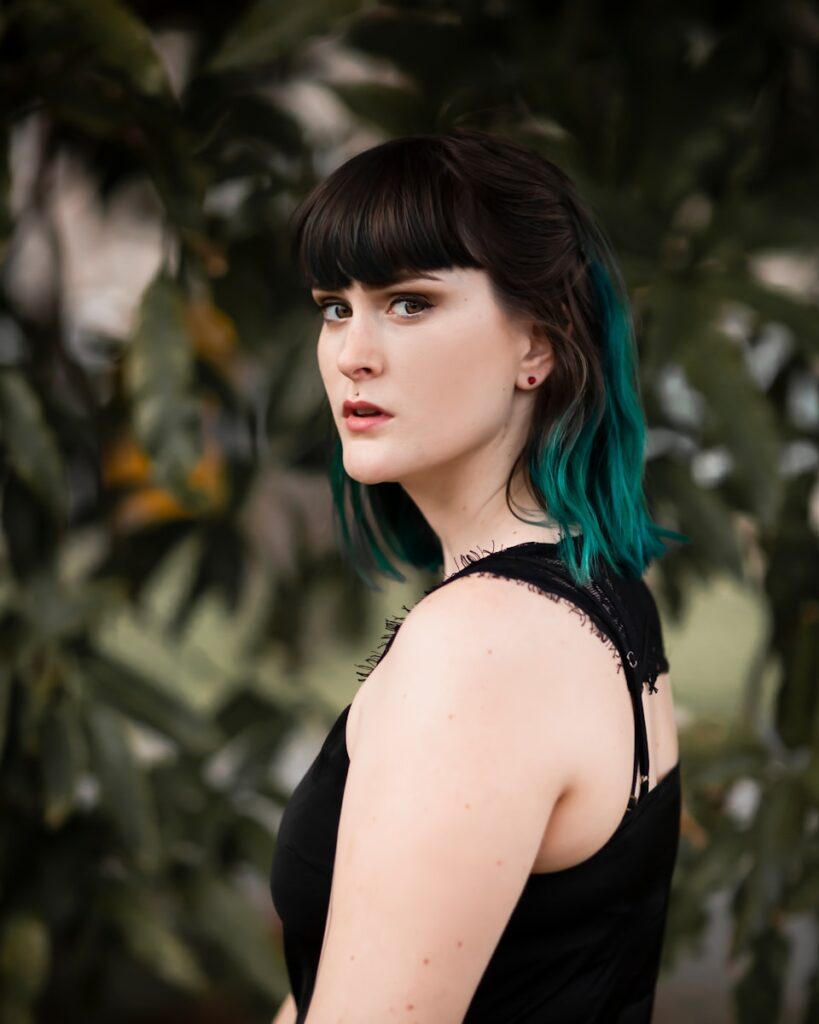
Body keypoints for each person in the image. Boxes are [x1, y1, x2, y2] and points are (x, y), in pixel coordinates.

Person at [269, 127, 687, 1024]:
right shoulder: (595, 587)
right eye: (334, 307)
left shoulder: (481, 650)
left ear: (536, 344)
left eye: (408, 303)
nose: (351, 353)